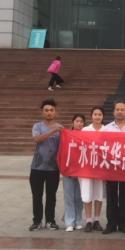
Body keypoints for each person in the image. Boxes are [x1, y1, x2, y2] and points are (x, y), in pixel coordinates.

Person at [102, 101, 125, 235]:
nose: (119, 112)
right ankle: (111, 224)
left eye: (122, 110)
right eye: (117, 109)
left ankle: (124, 224)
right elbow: (102, 148)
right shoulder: (106, 128)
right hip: (111, 168)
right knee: (111, 197)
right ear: (113, 112)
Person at [30, 99, 63, 231]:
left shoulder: (60, 128)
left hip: (53, 168)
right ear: (42, 112)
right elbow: (37, 139)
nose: (49, 113)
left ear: (55, 112)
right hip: (37, 167)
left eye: (51, 110)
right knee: (37, 195)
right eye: (46, 110)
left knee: (51, 196)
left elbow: (64, 146)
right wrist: (53, 131)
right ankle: (37, 221)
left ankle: (50, 220)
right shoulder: (37, 126)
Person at [81, 106, 106, 233]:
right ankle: (88, 221)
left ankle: (97, 220)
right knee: (87, 194)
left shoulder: (107, 130)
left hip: (101, 167)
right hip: (87, 167)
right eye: (95, 114)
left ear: (103, 116)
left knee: (98, 193)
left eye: (99, 114)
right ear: (91, 116)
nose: (97, 116)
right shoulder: (85, 130)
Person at [62, 114, 85, 232]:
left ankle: (78, 220)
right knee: (69, 196)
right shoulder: (66, 135)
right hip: (68, 170)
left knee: (79, 197)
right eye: (77, 121)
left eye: (81, 121)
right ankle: (69, 222)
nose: (79, 123)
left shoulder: (86, 136)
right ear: (72, 122)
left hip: (82, 170)